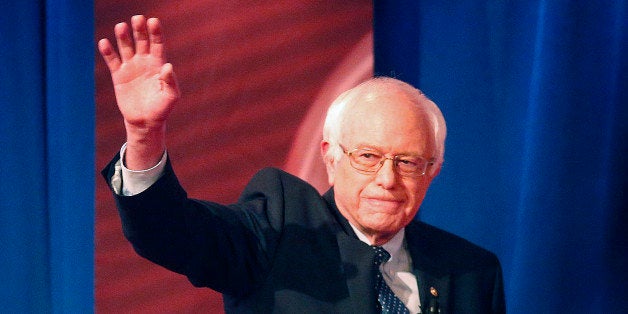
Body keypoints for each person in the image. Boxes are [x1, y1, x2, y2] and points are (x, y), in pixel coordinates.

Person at [99, 15, 505, 314]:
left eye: (409, 162)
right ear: (330, 155)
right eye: (367, 157)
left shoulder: (471, 273)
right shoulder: (279, 228)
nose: (387, 179)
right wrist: (144, 135)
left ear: (433, 171)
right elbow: (168, 233)